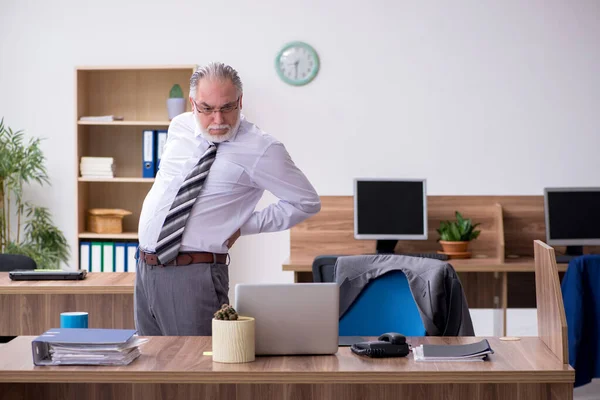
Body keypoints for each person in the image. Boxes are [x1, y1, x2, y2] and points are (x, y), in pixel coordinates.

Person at [135, 62, 321, 336]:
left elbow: (306, 202)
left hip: (193, 274)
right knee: (150, 369)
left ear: (240, 101)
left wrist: (244, 226)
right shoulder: (179, 127)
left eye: (227, 108)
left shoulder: (262, 148)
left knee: (196, 370)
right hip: (144, 269)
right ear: (192, 103)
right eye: (207, 109)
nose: (218, 120)